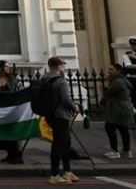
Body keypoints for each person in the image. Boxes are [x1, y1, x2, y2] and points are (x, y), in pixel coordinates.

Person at [41, 56, 79, 185]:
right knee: (59, 144)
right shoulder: (61, 81)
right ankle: (55, 174)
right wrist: (75, 107)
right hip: (61, 115)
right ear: (57, 66)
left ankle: (67, 171)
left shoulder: (44, 79)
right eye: (62, 64)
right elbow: (66, 99)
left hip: (50, 114)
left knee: (65, 142)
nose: (64, 66)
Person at [0, 60, 24, 164]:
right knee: (5, 132)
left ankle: (18, 155)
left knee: (15, 132)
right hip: (1, 109)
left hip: (12, 108)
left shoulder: (13, 80)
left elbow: (20, 92)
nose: (8, 68)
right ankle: (10, 153)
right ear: (0, 68)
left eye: (8, 66)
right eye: (6, 66)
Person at [102, 64, 135, 159]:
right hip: (124, 108)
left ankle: (114, 151)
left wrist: (107, 83)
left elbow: (108, 93)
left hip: (118, 109)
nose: (109, 71)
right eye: (109, 69)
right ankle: (126, 150)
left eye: (112, 69)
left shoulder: (117, 82)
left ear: (118, 71)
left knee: (109, 127)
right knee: (123, 129)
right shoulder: (124, 80)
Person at [122, 38, 136, 117]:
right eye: (132, 45)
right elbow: (128, 66)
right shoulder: (127, 54)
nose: (133, 47)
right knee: (133, 100)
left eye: (135, 45)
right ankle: (132, 120)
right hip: (132, 79)